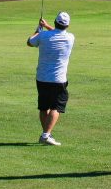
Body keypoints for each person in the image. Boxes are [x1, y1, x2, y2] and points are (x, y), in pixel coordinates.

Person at [27, 12, 75, 146]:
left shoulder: (43, 36)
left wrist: (39, 29)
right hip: (58, 79)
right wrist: (46, 27)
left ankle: (46, 134)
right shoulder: (70, 38)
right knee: (56, 107)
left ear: (55, 22)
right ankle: (46, 135)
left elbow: (29, 42)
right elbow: (56, 33)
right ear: (68, 25)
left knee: (44, 107)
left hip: (41, 77)